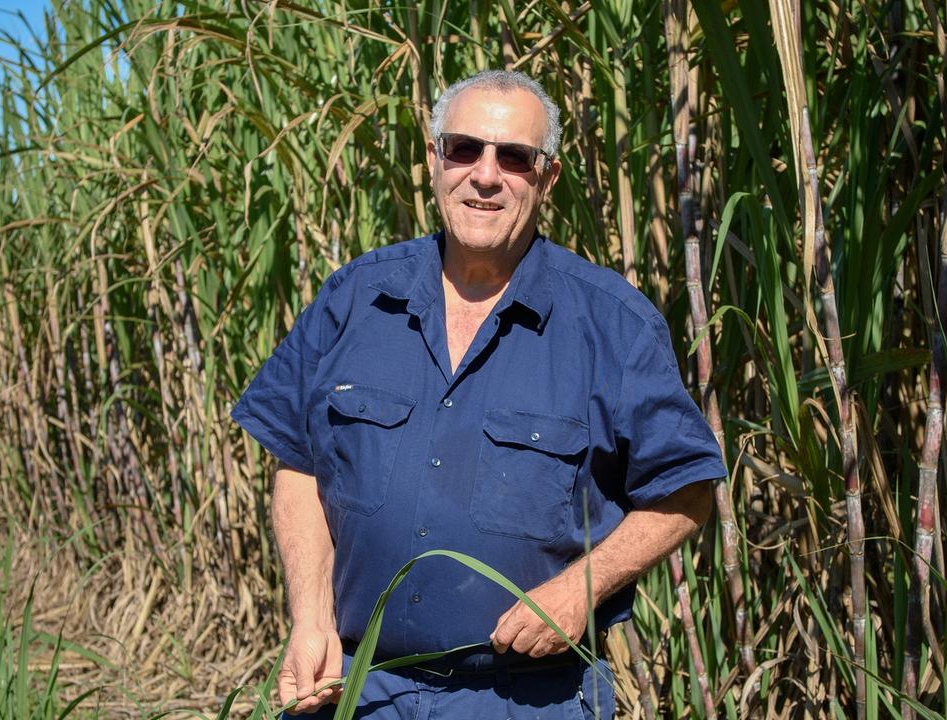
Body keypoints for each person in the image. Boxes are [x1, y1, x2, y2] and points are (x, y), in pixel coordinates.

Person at [231, 69, 723, 719]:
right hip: (352, 685)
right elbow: (298, 462)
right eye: (464, 148)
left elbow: (688, 488)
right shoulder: (354, 298)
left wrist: (581, 589)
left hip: (527, 695)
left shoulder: (612, 325)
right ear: (434, 162)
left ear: (546, 178)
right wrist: (310, 618)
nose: (485, 175)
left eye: (514, 157)